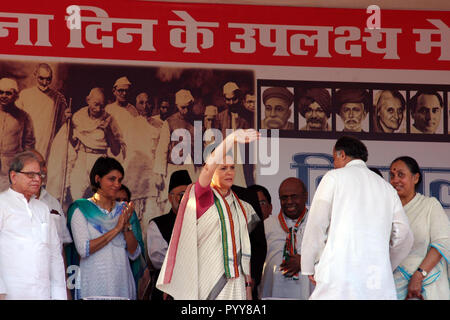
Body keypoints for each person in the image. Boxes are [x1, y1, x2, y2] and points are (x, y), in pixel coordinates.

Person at [300, 136, 414, 299]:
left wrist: (310, 265)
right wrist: (384, 262)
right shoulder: (387, 188)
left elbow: (317, 223)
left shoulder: (333, 177)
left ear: (342, 155)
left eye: (334, 159)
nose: (334, 164)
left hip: (337, 278)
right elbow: (404, 234)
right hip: (376, 282)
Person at [156, 129, 260, 300]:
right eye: (223, 168)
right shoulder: (203, 196)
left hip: (237, 282)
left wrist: (248, 285)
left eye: (232, 168)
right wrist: (232, 139)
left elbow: (243, 251)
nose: (229, 172)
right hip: (206, 277)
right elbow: (206, 170)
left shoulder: (243, 207)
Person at [67, 156, 145, 299]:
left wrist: (126, 226)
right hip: (93, 283)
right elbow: (84, 249)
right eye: (112, 179)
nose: (117, 184)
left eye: (120, 180)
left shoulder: (124, 210)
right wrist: (116, 229)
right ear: (97, 179)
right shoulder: (81, 209)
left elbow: (134, 253)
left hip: (122, 282)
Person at [0, 151, 66, 300]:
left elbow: (55, 256)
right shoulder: (2, 204)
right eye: (30, 175)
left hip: (41, 293)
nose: (37, 179)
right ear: (13, 176)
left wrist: (59, 296)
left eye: (39, 175)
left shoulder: (43, 209)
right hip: (10, 294)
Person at [389, 156, 449, 300]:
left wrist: (419, 275)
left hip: (427, 285)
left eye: (401, 175)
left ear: (415, 178)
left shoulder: (429, 205)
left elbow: (443, 242)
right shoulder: (388, 211)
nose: (395, 180)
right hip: (395, 287)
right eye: (392, 175)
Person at [67, 87, 125, 201]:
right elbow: (73, 142)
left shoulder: (109, 119)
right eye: (96, 104)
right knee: (76, 192)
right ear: (87, 100)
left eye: (102, 106)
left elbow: (116, 150)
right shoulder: (78, 116)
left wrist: (108, 130)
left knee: (98, 197)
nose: (98, 109)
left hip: (99, 160)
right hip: (82, 157)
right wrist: (67, 122)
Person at [260, 178, 313, 299]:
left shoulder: (318, 223)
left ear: (305, 196)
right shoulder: (267, 225)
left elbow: (333, 257)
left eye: (294, 196)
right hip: (272, 293)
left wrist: (305, 261)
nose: (289, 201)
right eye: (284, 198)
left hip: (307, 294)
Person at [147, 170, 192, 300]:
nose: (183, 198)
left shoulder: (201, 222)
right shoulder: (157, 224)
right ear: (170, 197)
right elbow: (159, 261)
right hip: (168, 291)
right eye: (180, 194)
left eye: (187, 194)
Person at [16, 63, 70, 160]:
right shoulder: (25, 95)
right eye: (41, 78)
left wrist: (66, 116)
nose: (45, 82)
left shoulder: (57, 98)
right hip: (27, 141)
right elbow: (16, 119)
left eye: (48, 79)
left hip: (47, 141)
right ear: (35, 75)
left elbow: (61, 123)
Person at [0, 78, 35, 191]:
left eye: (8, 93)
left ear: (16, 96)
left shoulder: (23, 117)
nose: (3, 96)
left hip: (10, 168)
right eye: (1, 92)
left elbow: (29, 143)